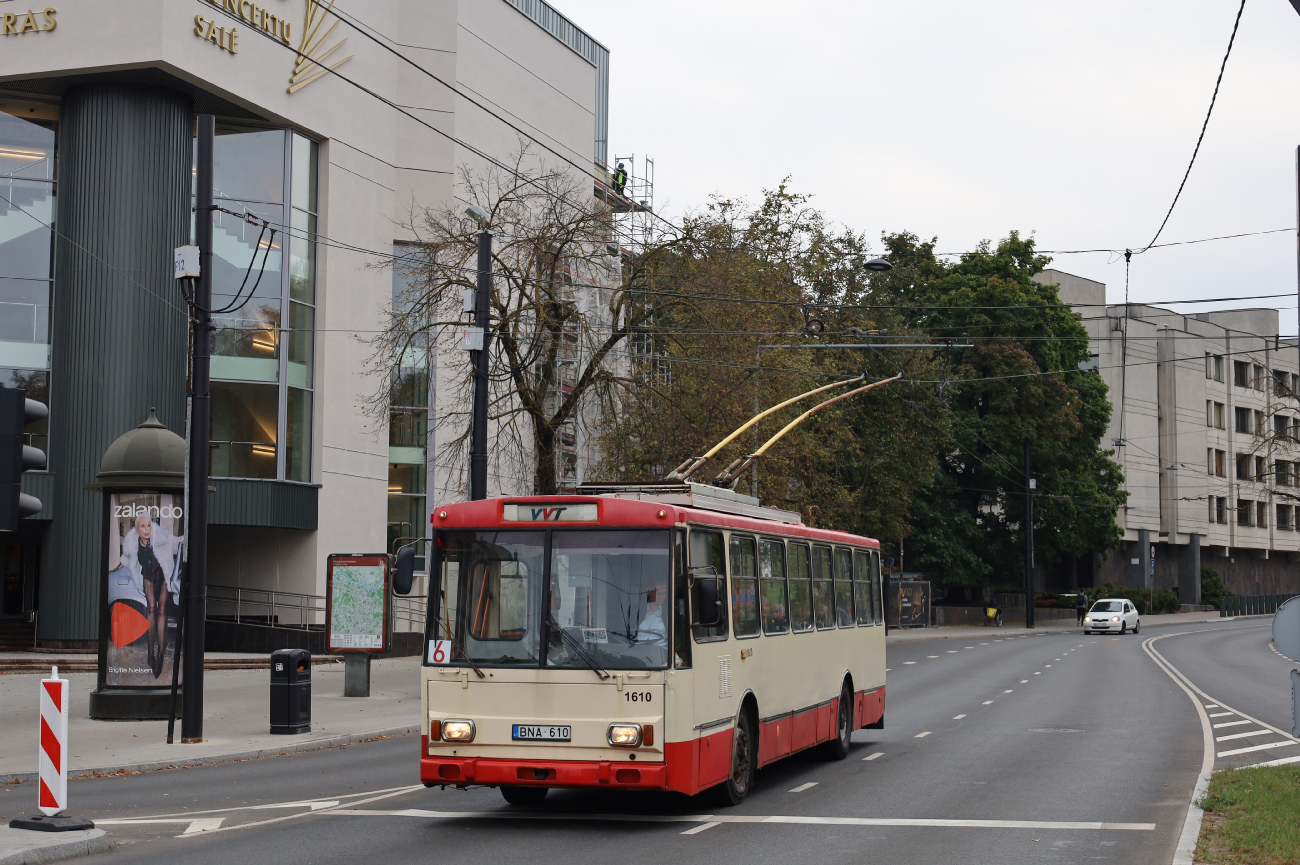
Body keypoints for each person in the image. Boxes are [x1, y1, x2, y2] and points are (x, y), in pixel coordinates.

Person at [120, 513, 177, 677]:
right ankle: (150, 650)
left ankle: (160, 652)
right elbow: (126, 558)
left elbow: (171, 554)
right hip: (148, 577)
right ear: (137, 529)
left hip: (163, 577)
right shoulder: (133, 543)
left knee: (162, 609)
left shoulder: (160, 541)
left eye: (149, 526)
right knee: (151, 608)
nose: (147, 529)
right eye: (143, 526)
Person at [634, 582, 669, 649]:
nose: (661, 597)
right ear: (649, 592)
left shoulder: (667, 612)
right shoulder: (637, 610)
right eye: (658, 594)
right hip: (638, 651)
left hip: (661, 652)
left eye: (664, 594)